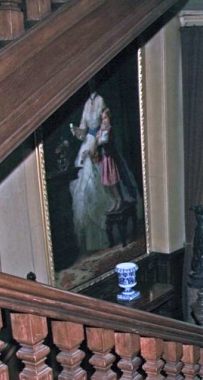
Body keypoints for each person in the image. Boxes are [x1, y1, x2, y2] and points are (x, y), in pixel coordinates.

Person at [68, 83, 115, 254]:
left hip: (96, 141)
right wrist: (77, 131)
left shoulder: (100, 100)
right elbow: (83, 128)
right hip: (88, 140)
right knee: (82, 184)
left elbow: (104, 125)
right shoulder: (87, 103)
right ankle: (89, 240)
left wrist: (93, 146)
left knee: (95, 184)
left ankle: (103, 234)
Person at [95, 107, 123, 212]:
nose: (104, 121)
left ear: (109, 118)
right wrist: (99, 136)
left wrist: (99, 136)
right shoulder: (103, 130)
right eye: (102, 119)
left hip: (110, 158)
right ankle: (114, 201)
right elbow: (98, 142)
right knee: (107, 184)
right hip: (105, 158)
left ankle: (119, 200)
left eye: (105, 118)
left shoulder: (108, 130)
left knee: (112, 183)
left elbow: (102, 141)